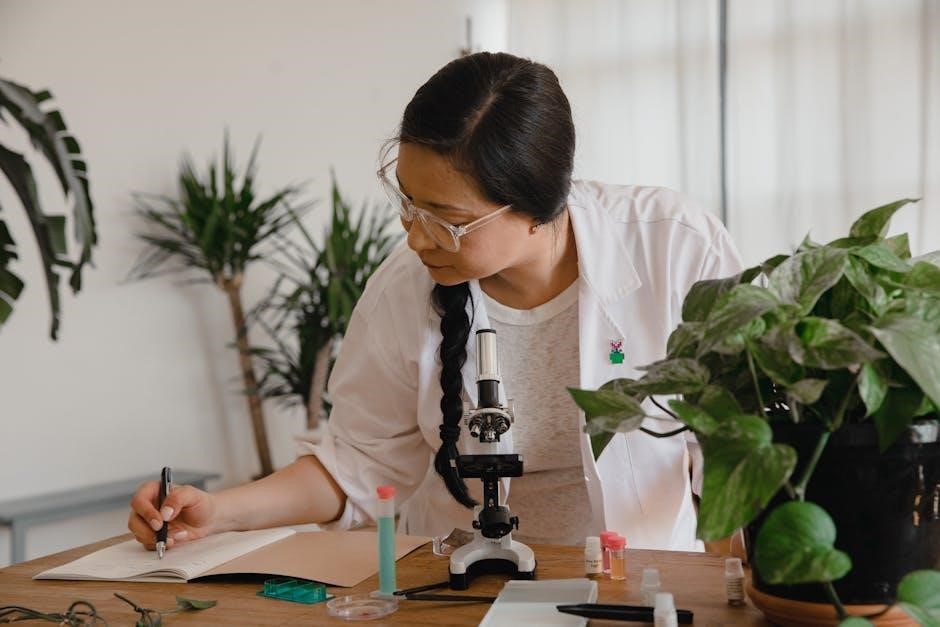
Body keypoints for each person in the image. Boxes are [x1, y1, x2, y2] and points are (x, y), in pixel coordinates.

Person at [128, 51, 741, 553]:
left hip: (636, 582)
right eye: (408, 204)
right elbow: (358, 464)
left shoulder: (675, 247)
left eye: (447, 219)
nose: (416, 238)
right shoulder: (404, 288)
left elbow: (741, 445)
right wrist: (218, 511)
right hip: (460, 587)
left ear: (537, 206)